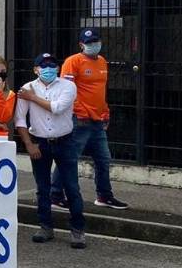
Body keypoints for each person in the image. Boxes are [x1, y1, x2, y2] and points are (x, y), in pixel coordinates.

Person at [52, 28, 129, 210]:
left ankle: (104, 195)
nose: (94, 45)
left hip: (97, 120)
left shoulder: (102, 62)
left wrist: (105, 111)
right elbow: (67, 91)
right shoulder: (73, 62)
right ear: (81, 45)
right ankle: (55, 195)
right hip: (80, 119)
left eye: (96, 42)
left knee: (103, 159)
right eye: (89, 43)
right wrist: (80, 112)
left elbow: (100, 91)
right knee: (69, 158)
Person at [15, 52, 86, 248]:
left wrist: (32, 98)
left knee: (72, 187)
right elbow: (20, 119)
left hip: (64, 141)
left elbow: (57, 108)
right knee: (42, 188)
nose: (48, 69)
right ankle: (45, 227)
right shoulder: (26, 89)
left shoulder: (68, 86)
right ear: (36, 69)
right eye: (43, 66)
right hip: (40, 142)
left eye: (52, 65)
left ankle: (78, 230)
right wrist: (29, 144)